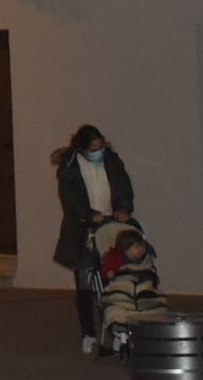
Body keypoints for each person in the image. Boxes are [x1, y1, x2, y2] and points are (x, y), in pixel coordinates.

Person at [51, 123, 134, 356]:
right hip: (83, 232)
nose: (98, 153)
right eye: (93, 150)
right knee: (86, 284)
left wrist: (123, 208)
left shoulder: (112, 161)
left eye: (100, 148)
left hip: (110, 229)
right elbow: (70, 199)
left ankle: (118, 330)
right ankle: (88, 333)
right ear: (82, 149)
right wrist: (89, 215)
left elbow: (123, 187)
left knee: (114, 281)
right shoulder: (69, 166)